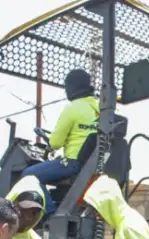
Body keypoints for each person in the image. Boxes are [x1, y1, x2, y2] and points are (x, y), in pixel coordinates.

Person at [22, 68, 100, 219]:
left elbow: (56, 143)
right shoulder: (100, 109)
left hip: (72, 162)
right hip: (91, 165)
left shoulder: (73, 107)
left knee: (29, 175)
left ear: (72, 87)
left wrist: (50, 142)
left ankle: (50, 214)